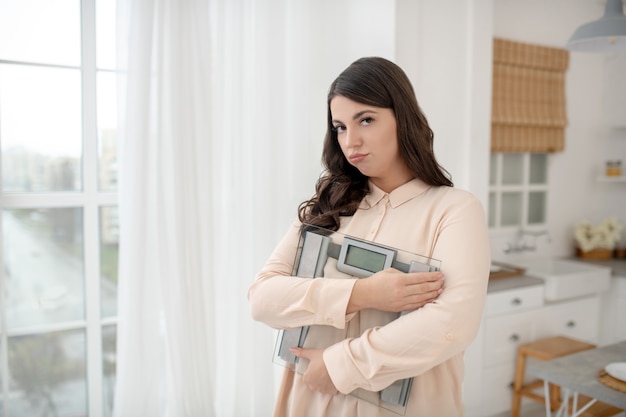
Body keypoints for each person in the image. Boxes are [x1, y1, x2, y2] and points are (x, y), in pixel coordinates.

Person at [248, 56, 490, 417]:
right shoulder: (328, 206)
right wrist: (362, 294)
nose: (351, 140)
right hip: (311, 401)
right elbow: (262, 299)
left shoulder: (454, 210)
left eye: (366, 120)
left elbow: (452, 324)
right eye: (340, 127)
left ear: (403, 119)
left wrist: (339, 365)